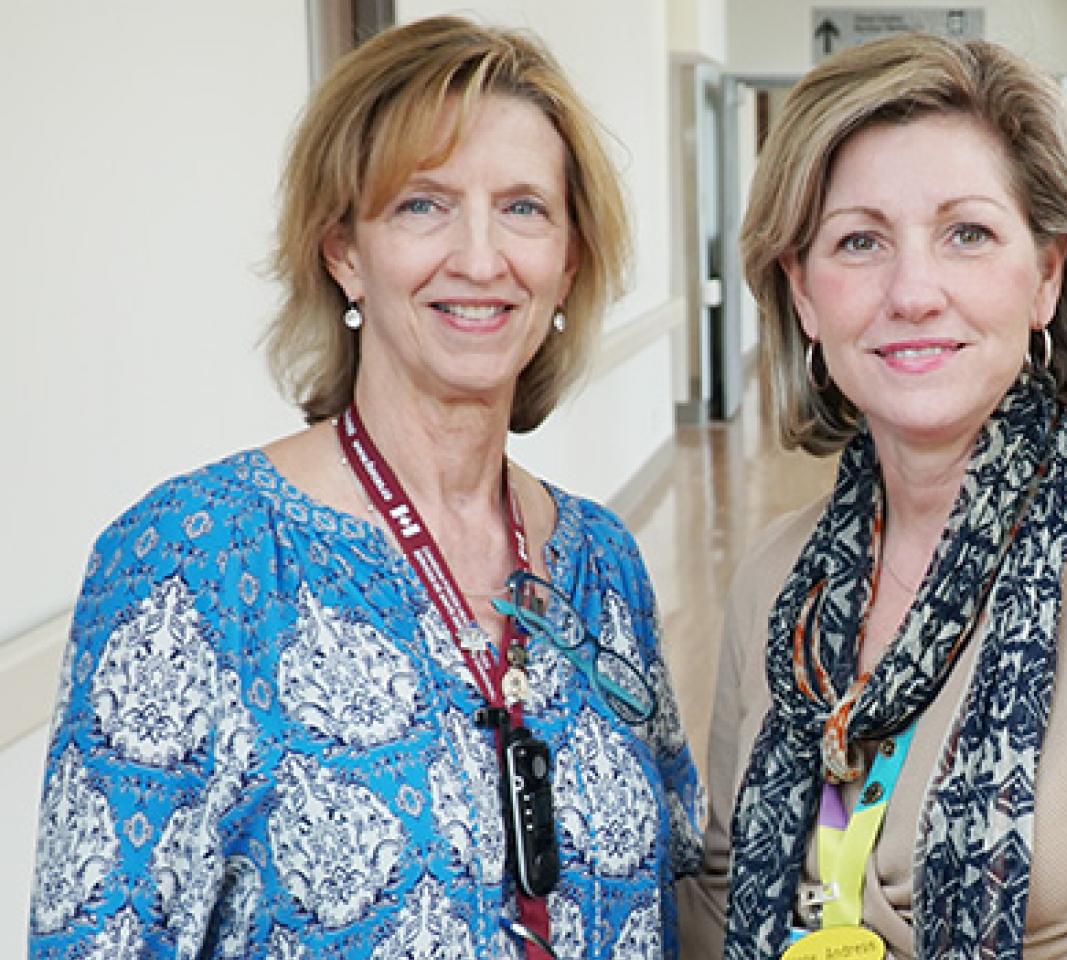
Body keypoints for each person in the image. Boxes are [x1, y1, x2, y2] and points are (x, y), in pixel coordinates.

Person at [28, 17, 700, 958]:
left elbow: (676, 890)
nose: (479, 257)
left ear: (569, 260)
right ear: (344, 249)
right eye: (423, 205)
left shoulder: (601, 564)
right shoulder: (191, 563)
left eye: (524, 208)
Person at [679, 33, 1067, 960]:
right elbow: (719, 905)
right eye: (859, 241)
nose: (913, 291)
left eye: (968, 233)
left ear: (1047, 274)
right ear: (802, 294)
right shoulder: (776, 581)